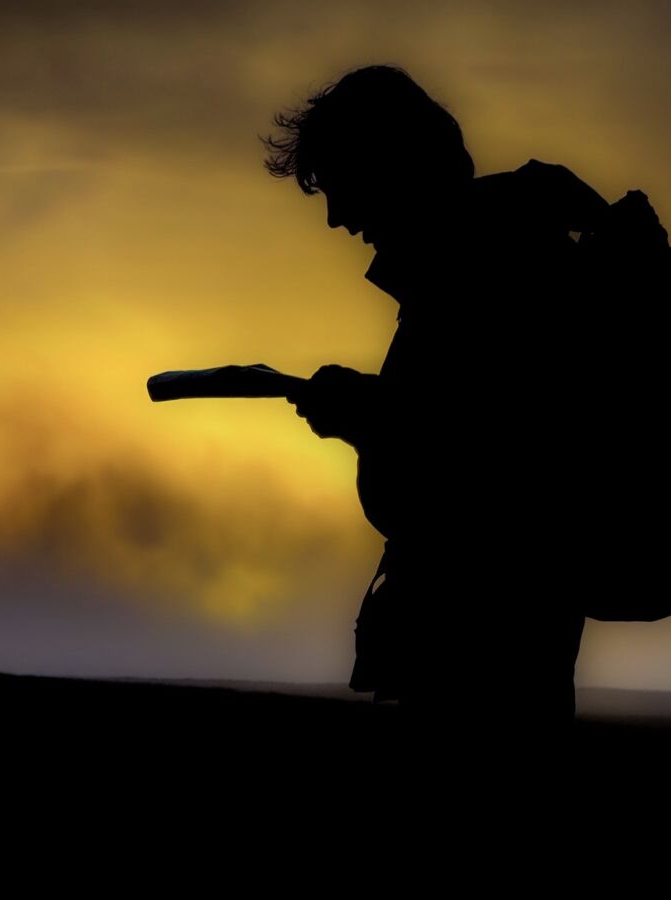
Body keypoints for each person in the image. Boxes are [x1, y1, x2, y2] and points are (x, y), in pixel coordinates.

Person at [262, 65, 607, 745]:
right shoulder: (486, 258)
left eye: (341, 185)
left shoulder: (484, 269)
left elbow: (486, 466)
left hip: (486, 653)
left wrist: (365, 417)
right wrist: (373, 409)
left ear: (390, 165)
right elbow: (459, 419)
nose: (336, 218)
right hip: (500, 643)